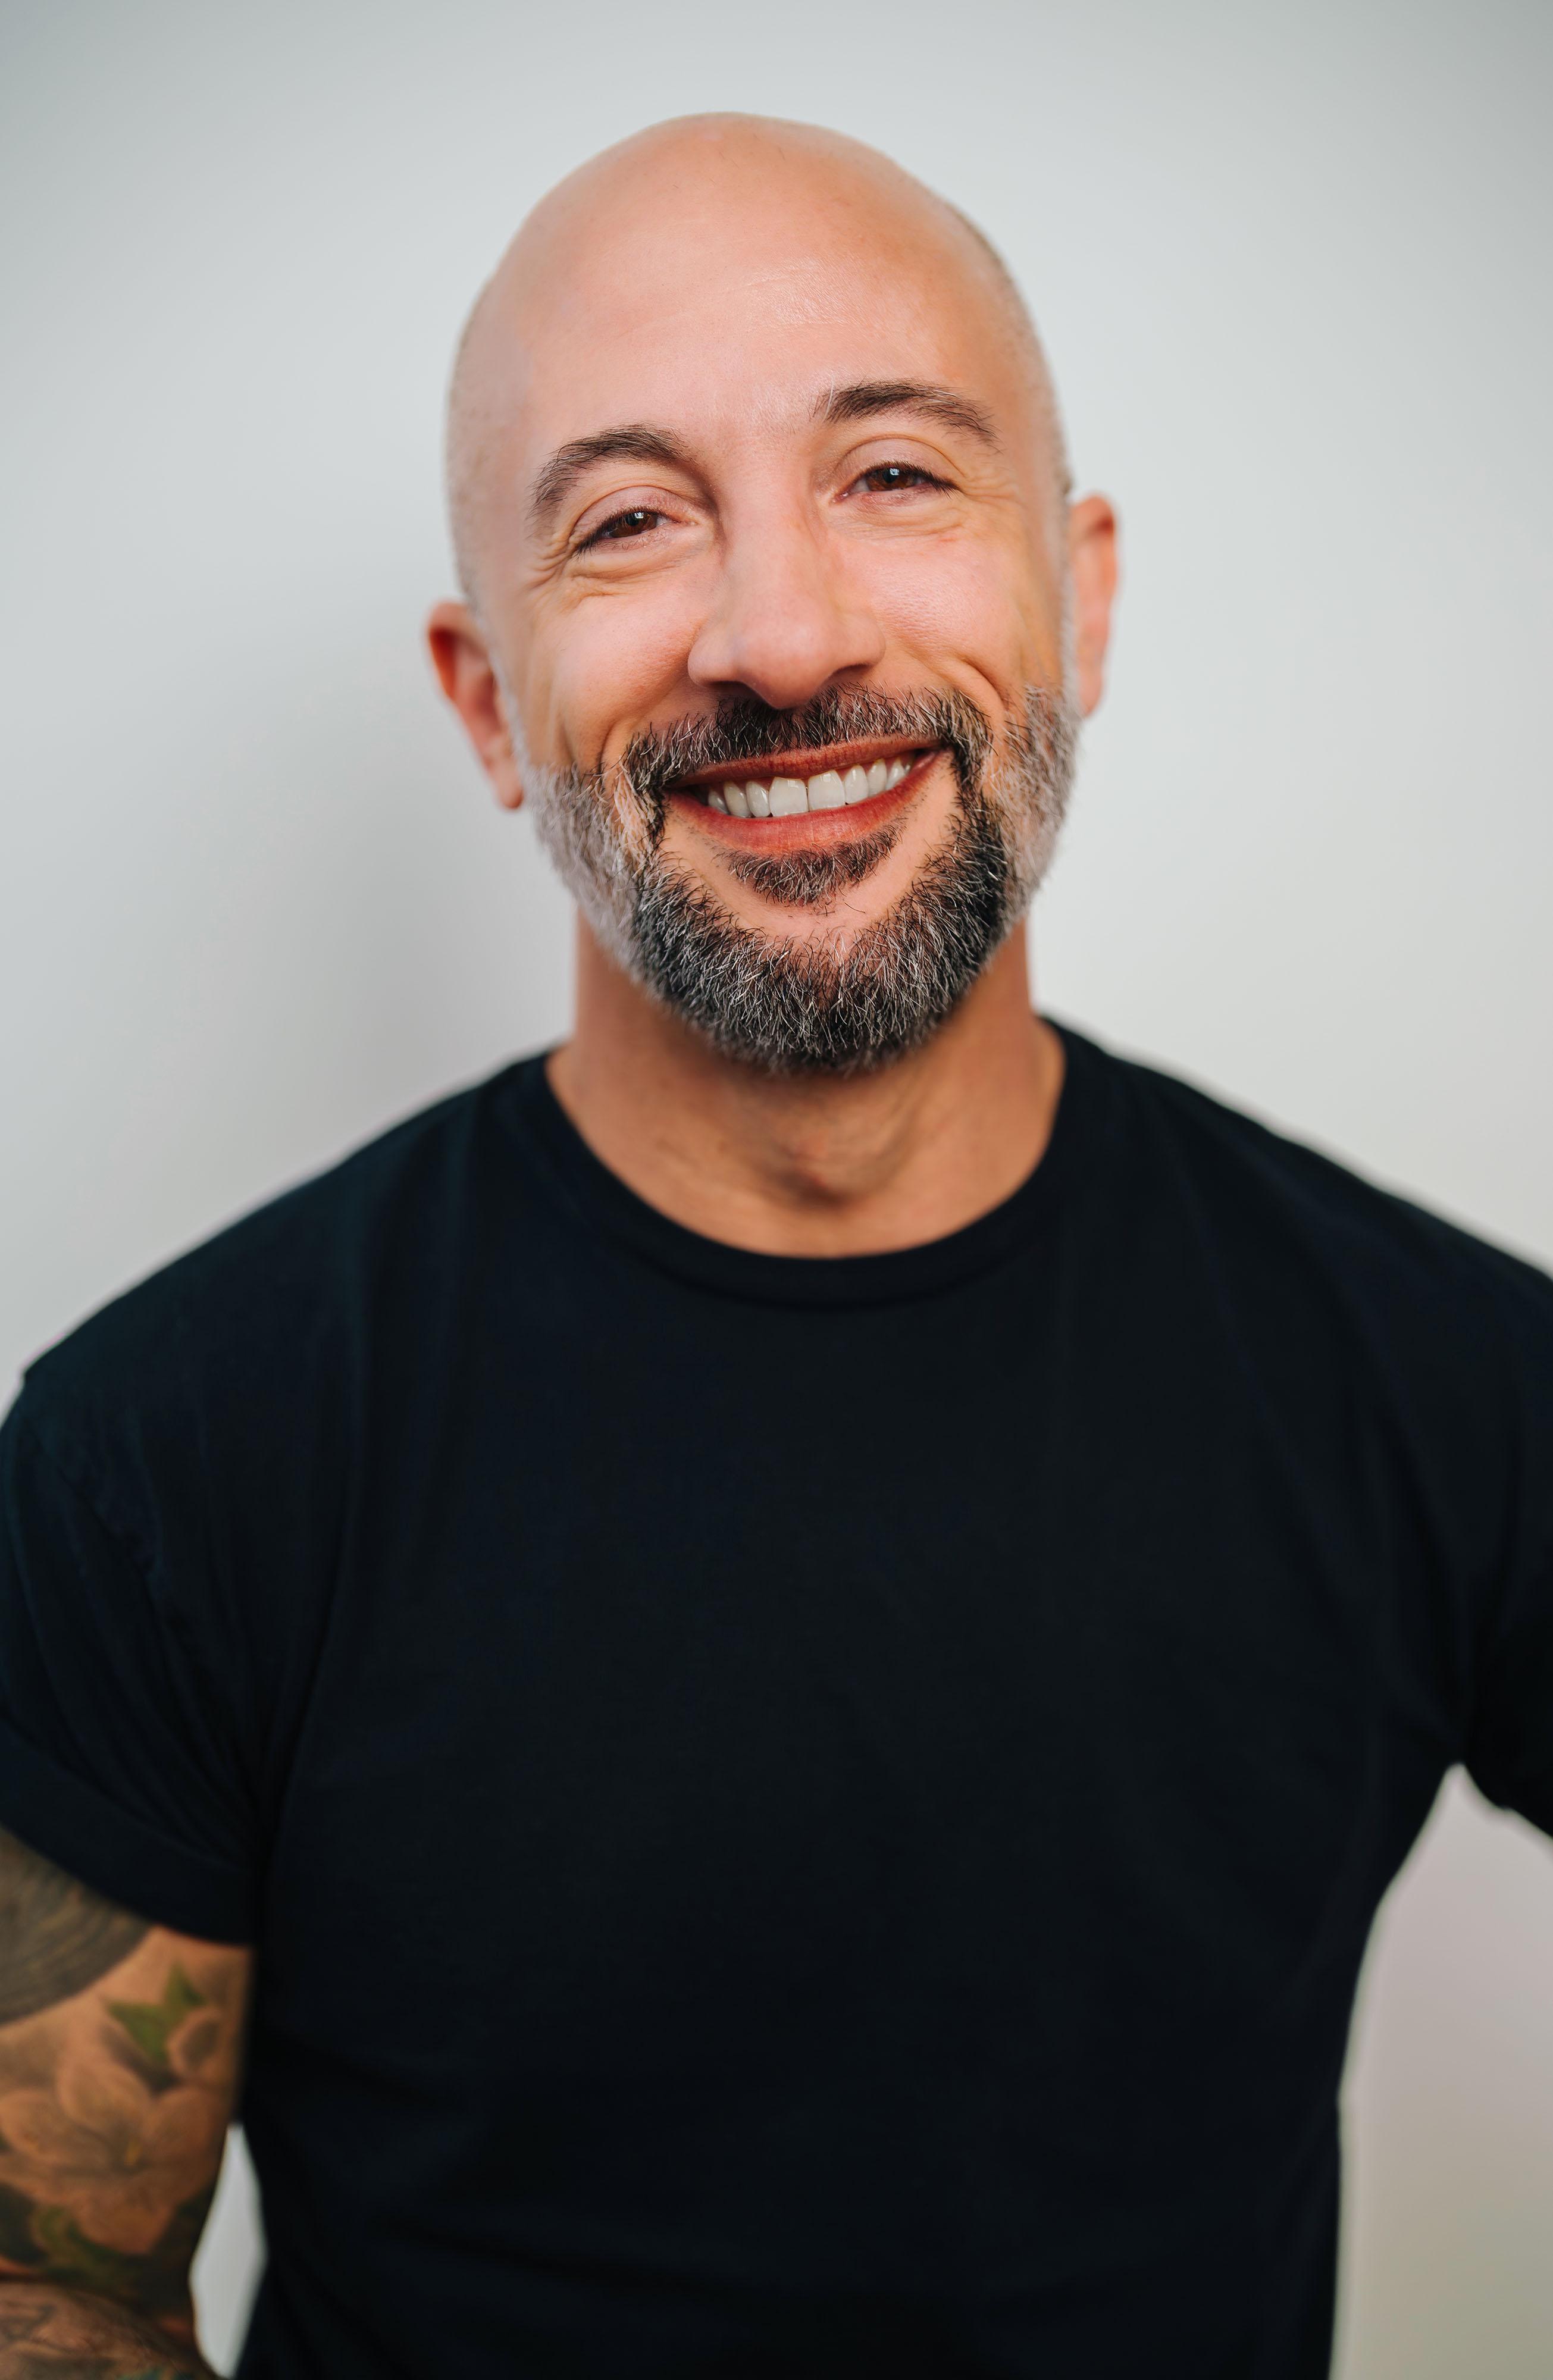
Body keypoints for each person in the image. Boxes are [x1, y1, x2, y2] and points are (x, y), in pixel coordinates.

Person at [0, 111, 1548, 2380]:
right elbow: (53, 2279)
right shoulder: (160, 1462)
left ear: (1082, 594)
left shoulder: (1447, 1385)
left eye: (896, 476)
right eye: (626, 521)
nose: (783, 632)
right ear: (481, 702)